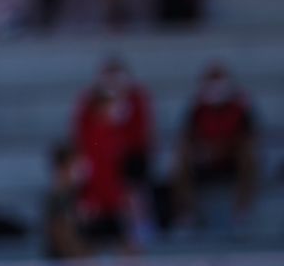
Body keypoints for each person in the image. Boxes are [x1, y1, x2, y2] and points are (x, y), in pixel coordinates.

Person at [70, 57, 152, 250]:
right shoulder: (94, 136)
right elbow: (98, 173)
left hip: (111, 200)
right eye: (109, 105)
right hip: (99, 202)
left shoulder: (113, 133)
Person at [171, 63, 259, 230]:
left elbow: (250, 138)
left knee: (248, 155)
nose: (216, 89)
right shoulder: (197, 109)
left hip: (231, 161)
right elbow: (186, 139)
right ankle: (186, 214)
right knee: (181, 157)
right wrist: (202, 151)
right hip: (206, 161)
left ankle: (242, 214)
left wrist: (222, 149)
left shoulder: (240, 108)